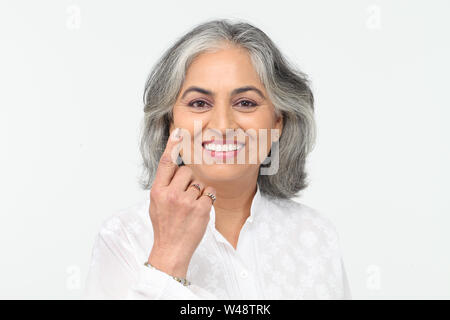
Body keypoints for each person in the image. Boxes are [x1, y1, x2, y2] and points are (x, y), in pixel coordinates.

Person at [85, 18, 351, 299]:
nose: (223, 126)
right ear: (171, 123)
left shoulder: (316, 235)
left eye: (245, 103)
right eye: (199, 103)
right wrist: (168, 257)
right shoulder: (124, 236)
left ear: (277, 123)